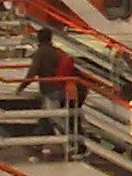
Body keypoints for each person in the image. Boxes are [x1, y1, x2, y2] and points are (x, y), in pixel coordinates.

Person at [15, 26, 83, 154]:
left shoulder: (41, 53)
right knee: (45, 117)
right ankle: (38, 142)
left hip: (50, 90)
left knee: (54, 118)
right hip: (60, 87)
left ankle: (74, 143)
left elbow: (32, 73)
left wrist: (21, 87)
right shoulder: (55, 51)